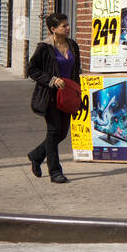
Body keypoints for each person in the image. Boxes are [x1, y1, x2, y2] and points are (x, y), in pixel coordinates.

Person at [26, 12, 81, 184]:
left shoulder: (73, 45)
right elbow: (32, 70)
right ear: (53, 29)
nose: (68, 28)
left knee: (62, 133)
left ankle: (36, 155)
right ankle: (55, 171)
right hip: (50, 96)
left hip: (67, 96)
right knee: (53, 131)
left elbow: (76, 71)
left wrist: (79, 93)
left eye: (67, 24)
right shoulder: (44, 47)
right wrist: (50, 80)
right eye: (64, 26)